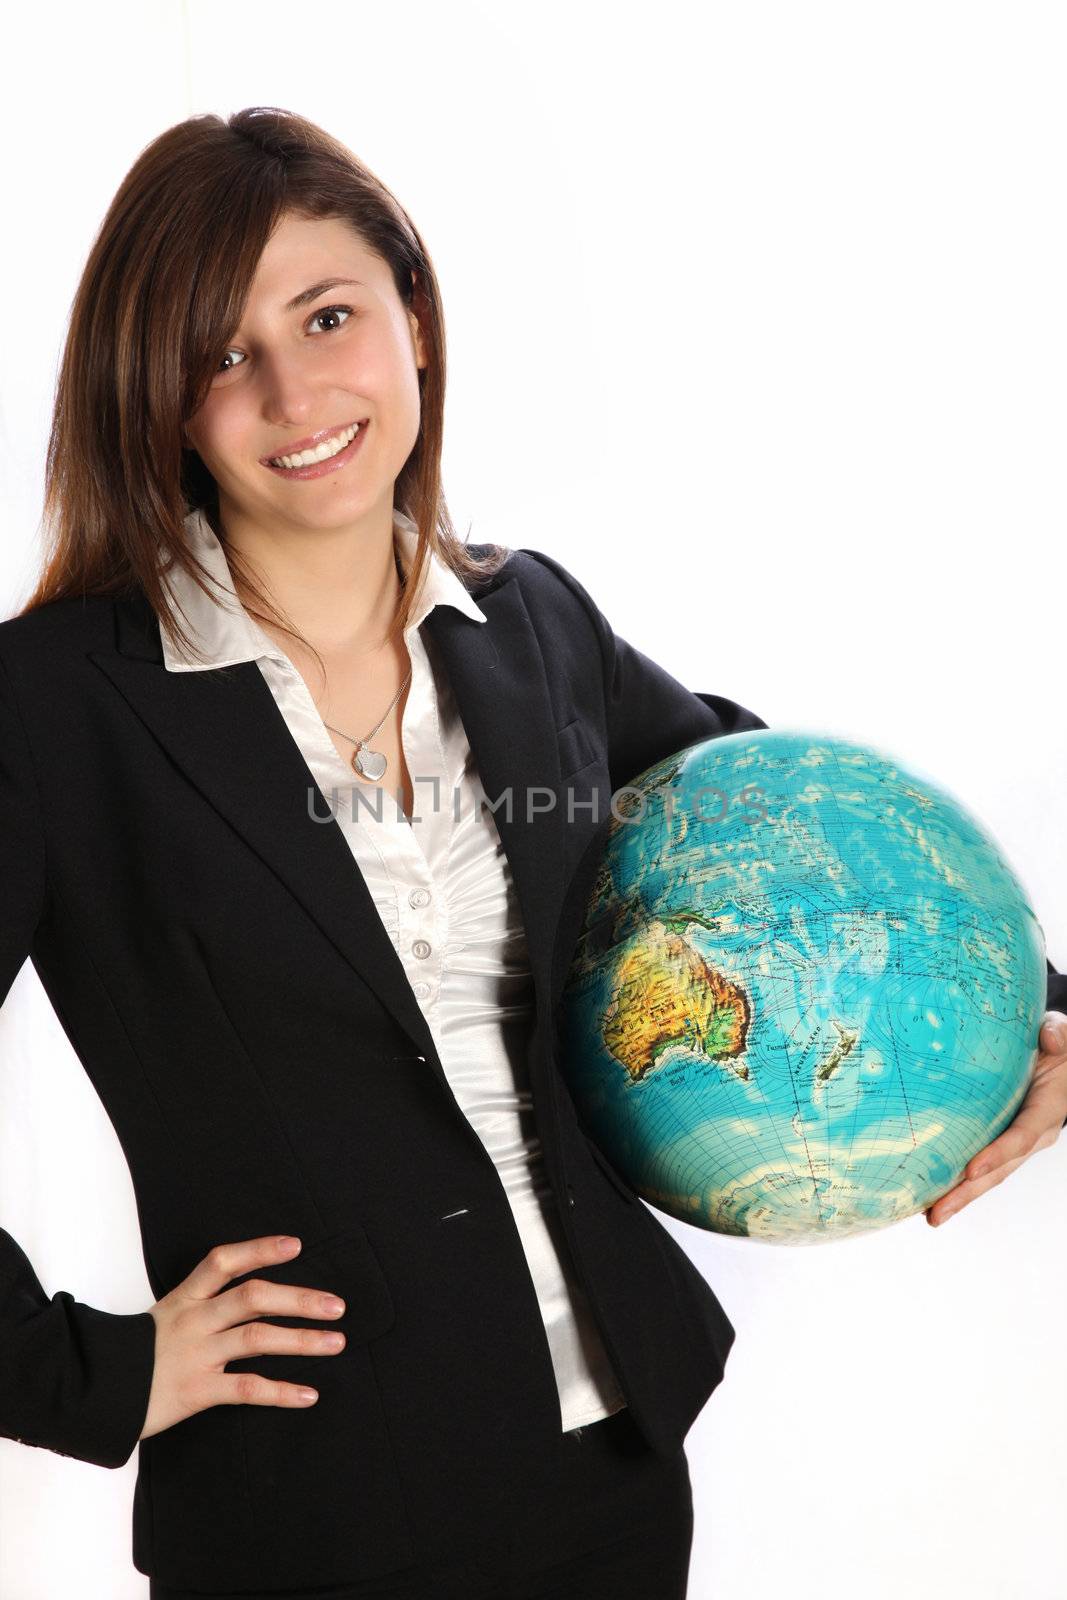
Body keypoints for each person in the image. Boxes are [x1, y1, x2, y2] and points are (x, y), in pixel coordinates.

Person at [1, 106, 1064, 1600]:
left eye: (328, 316)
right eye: (220, 352)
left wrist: (1044, 1010)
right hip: (306, 1511)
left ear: (414, 323)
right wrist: (84, 1374)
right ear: (156, 396)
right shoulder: (55, 706)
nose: (296, 390)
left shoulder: (534, 629)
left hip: (612, 1470)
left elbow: (789, 823)